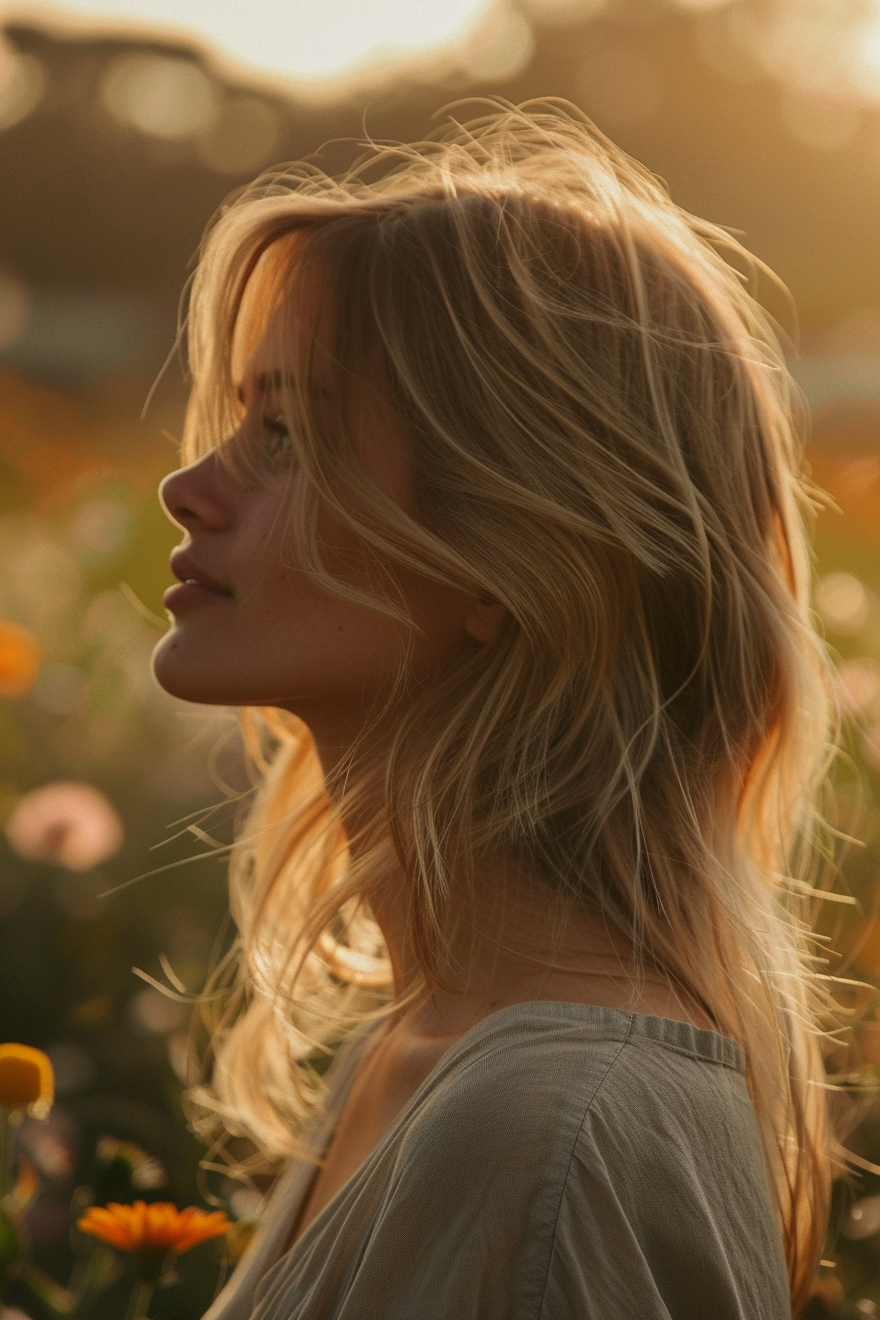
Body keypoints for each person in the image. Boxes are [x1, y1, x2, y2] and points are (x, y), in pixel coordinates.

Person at [152, 100, 839, 1318]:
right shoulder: (421, 1051)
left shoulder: (548, 1134)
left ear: (504, 550)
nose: (186, 487)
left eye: (283, 434)